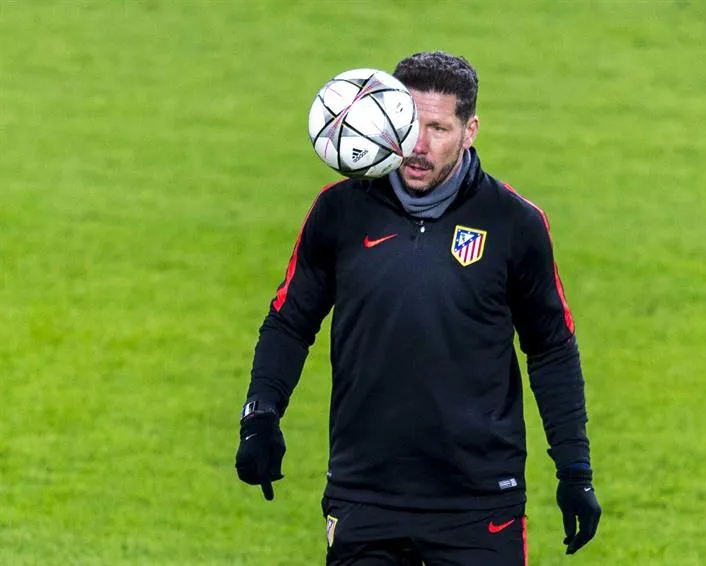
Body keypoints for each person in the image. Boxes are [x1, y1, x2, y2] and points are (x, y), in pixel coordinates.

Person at [235, 51, 601, 565]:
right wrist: (261, 414)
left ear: (469, 131)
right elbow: (289, 323)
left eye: (439, 128)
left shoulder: (514, 223)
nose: (418, 146)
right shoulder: (339, 211)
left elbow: (552, 350)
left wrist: (575, 472)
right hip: (364, 495)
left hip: (480, 504)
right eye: (410, 124)